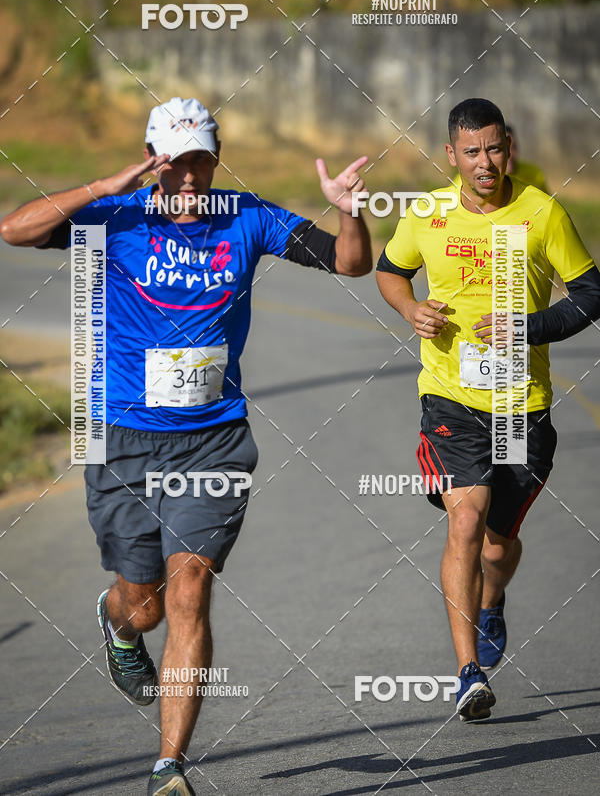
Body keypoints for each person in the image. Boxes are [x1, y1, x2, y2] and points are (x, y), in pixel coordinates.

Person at [0, 97, 372, 794]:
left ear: (217, 158)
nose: (190, 177)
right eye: (175, 164)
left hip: (214, 440)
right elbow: (14, 230)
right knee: (143, 605)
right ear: (154, 163)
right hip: (123, 438)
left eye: (201, 161)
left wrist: (350, 210)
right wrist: (106, 186)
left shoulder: (247, 216)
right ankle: (117, 623)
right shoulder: (117, 217)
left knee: (190, 588)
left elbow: (351, 264)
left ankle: (169, 766)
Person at [376, 98, 600, 721]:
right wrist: (409, 308)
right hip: (450, 397)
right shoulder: (428, 213)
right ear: (451, 155)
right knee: (465, 520)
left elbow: (591, 294)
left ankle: (492, 600)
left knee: (498, 547)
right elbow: (390, 271)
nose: (484, 162)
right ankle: (467, 672)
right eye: (471, 151)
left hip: (521, 407)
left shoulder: (541, 212)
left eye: (494, 148)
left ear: (509, 148)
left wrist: (528, 327)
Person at [451, 122, 548, 191]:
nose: (510, 154)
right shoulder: (462, 182)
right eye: (494, 149)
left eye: (513, 147)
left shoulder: (534, 173)